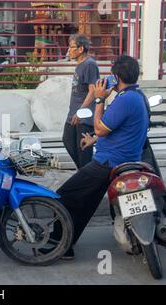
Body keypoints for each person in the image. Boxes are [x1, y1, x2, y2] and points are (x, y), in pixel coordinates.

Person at [56, 55, 149, 260]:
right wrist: (94, 139)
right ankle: (66, 246)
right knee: (86, 202)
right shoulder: (138, 96)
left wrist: (99, 99)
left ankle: (56, 244)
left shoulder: (125, 100)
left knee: (65, 195)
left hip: (109, 162)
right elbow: (115, 128)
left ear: (116, 76)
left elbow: (100, 126)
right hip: (124, 159)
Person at [62, 34, 99, 169]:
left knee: (83, 151)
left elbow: (93, 90)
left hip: (84, 115)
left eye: (72, 47)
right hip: (74, 112)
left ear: (81, 48)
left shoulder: (90, 64)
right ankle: (84, 174)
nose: (69, 50)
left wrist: (80, 111)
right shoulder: (80, 65)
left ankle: (87, 175)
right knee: (68, 140)